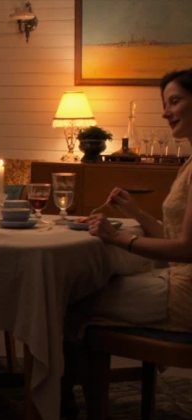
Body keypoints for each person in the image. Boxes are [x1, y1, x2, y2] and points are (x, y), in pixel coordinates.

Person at [81, 68, 192, 331]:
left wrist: (116, 237)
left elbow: (187, 250)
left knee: (70, 297)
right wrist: (135, 212)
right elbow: (174, 238)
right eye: (165, 105)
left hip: (185, 294)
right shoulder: (189, 163)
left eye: (174, 101)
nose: (165, 113)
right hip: (177, 279)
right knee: (84, 288)